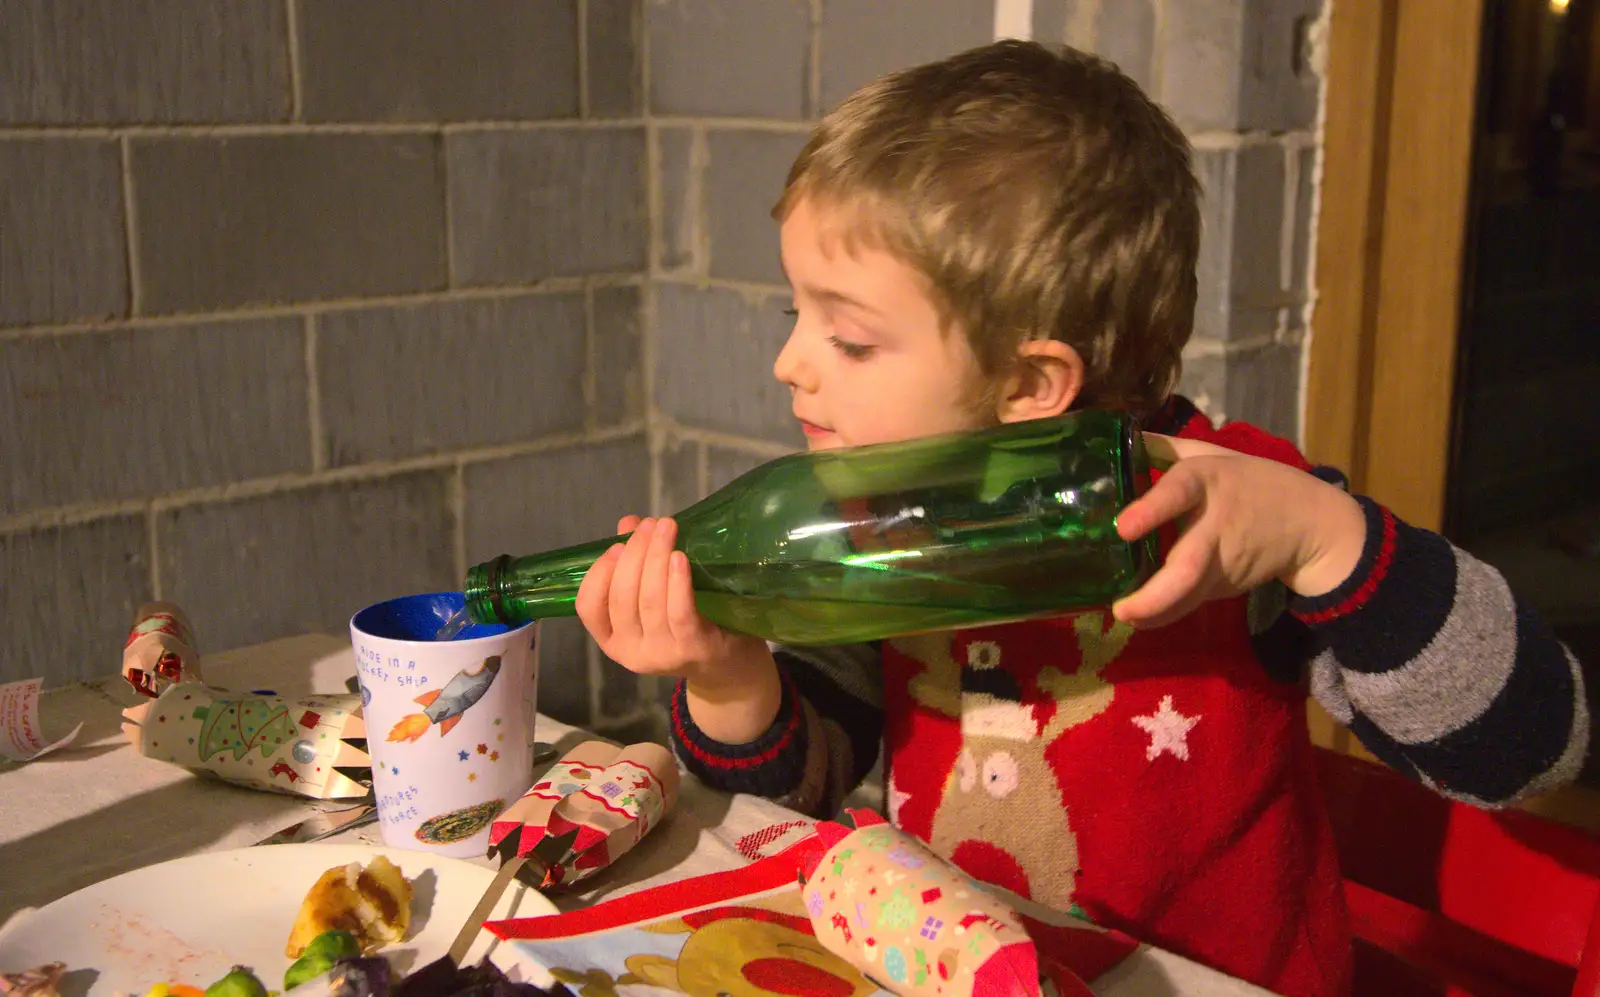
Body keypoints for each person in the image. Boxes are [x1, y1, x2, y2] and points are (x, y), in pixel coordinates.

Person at [573, 40, 1588, 997]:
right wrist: (728, 676)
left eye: (848, 336)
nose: (790, 362)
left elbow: (1531, 750)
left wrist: (1329, 539)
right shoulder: (881, 524)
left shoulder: (1241, 513)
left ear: (1028, 381)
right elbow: (794, 794)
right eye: (795, 315)